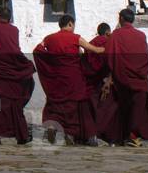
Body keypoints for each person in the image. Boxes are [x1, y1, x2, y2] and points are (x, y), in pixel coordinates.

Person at [33, 14, 105, 146]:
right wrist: (109, 47)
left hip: (56, 79)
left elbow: (37, 50)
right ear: (70, 24)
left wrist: (49, 65)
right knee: (75, 106)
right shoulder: (76, 38)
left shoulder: (49, 38)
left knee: (56, 104)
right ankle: (70, 134)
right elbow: (95, 50)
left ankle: (52, 127)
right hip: (74, 79)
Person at [106, 8, 148, 146]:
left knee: (122, 107)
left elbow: (110, 56)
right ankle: (135, 134)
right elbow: (146, 57)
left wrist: (112, 75)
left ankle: (127, 135)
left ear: (121, 19)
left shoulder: (116, 35)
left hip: (122, 79)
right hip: (140, 78)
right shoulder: (141, 35)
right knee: (138, 108)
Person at [0, 8, 35, 145]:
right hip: (12, 73)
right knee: (14, 105)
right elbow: (14, 50)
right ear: (9, 18)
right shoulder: (14, 30)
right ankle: (22, 135)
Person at [83, 22, 116, 141]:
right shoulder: (110, 43)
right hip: (106, 80)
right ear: (108, 32)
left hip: (91, 82)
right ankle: (105, 134)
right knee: (107, 108)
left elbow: (85, 63)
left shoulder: (90, 43)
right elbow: (113, 62)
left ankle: (92, 134)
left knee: (92, 107)